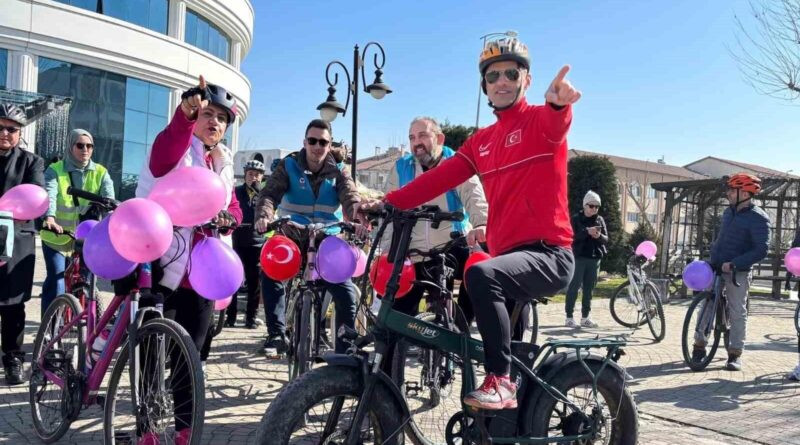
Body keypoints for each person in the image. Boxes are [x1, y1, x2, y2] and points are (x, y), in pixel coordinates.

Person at [358, 34, 581, 410]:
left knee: (480, 275)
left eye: (511, 73)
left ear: (526, 79)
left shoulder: (542, 121)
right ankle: (508, 416)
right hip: (506, 256)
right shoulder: (481, 142)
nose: (502, 82)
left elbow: (558, 124)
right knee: (483, 323)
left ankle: (502, 383)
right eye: (493, 77)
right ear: (484, 87)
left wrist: (559, 105)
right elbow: (437, 179)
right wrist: (387, 203)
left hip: (549, 254)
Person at [135, 75, 242, 442]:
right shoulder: (178, 147)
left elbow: (232, 204)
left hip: (203, 272)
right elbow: (163, 158)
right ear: (196, 116)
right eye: (208, 113)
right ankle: (147, 430)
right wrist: (183, 115)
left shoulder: (223, 162)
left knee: (190, 357)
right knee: (151, 350)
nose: (214, 122)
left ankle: (183, 431)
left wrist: (233, 217)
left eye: (222, 118)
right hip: (161, 264)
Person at [377, 116, 489, 371]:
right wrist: (386, 251)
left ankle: (461, 328)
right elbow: (390, 211)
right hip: (412, 250)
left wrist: (481, 223)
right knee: (394, 316)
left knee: (478, 275)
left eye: (423, 136)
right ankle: (384, 388)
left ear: (439, 138)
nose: (417, 143)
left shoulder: (456, 164)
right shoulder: (402, 168)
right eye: (412, 137)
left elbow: (474, 196)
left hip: (450, 243)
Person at [254, 119, 365, 355]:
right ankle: (276, 334)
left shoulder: (339, 171)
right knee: (270, 270)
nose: (317, 146)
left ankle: (345, 350)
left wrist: (358, 219)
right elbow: (269, 193)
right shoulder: (289, 165)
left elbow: (350, 196)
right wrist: (264, 216)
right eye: (312, 141)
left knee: (344, 289)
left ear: (329, 144)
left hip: (326, 235)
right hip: (292, 232)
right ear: (304, 142)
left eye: (323, 142)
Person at [693, 173, 769, 372]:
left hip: (738, 272)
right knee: (706, 304)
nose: (727, 193)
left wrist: (735, 264)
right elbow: (722, 239)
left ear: (744, 192)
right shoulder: (729, 212)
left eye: (731, 190)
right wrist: (713, 259)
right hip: (717, 267)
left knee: (737, 311)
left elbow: (761, 249)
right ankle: (699, 346)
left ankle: (734, 354)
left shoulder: (758, 218)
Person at [40, 129, 114, 317]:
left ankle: (86, 327)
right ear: (70, 146)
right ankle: (49, 329)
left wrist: (112, 224)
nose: (85, 150)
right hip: (56, 236)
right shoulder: (55, 170)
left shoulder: (101, 172)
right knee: (56, 279)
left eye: (89, 146)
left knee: (88, 281)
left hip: (86, 238)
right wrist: (49, 217)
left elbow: (109, 201)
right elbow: (49, 193)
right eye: (80, 145)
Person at [0, 104, 45, 385]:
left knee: (12, 304)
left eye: (11, 129)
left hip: (16, 240)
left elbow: (36, 195)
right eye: (0, 127)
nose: (5, 133)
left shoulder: (32, 162)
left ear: (20, 133)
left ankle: (13, 357)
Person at [227, 159, 266, 328]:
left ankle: (251, 319)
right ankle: (230, 317)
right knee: (233, 282)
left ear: (262, 177)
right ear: (245, 175)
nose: (254, 177)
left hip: (256, 244)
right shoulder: (236, 192)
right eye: (250, 174)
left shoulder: (264, 195)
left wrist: (259, 194)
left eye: (257, 174)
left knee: (254, 283)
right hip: (237, 242)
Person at [564, 190, 608, 328]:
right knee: (574, 287)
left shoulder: (599, 219)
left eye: (597, 207)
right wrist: (586, 232)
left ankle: (585, 317)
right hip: (579, 257)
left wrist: (598, 236)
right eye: (591, 206)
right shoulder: (576, 218)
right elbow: (570, 236)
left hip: (595, 258)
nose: (594, 209)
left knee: (589, 289)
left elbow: (606, 239)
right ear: (584, 205)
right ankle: (569, 317)